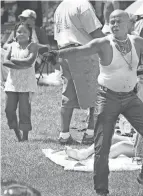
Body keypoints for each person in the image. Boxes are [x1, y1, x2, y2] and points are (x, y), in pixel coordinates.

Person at [43, 9, 143, 196]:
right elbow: (80, 50)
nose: (115, 25)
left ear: (129, 24)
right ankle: (101, 190)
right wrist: (56, 54)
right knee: (102, 146)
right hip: (107, 97)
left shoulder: (136, 41)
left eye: (119, 21)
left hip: (130, 97)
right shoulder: (103, 43)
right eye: (112, 21)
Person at [65, 75, 143, 161]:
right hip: (137, 141)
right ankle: (84, 154)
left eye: (136, 89)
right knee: (111, 137)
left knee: (121, 146)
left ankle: (95, 159)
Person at [53, 0, 104, 145]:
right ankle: (91, 133)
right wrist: (112, 43)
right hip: (83, 51)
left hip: (65, 52)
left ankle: (64, 135)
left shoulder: (60, 6)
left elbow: (58, 35)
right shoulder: (83, 5)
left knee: (67, 95)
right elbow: (94, 32)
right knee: (97, 93)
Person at [2, 22, 39, 142]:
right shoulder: (12, 45)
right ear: (15, 33)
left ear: (29, 34)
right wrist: (20, 65)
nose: (21, 34)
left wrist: (13, 60)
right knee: (8, 109)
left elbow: (29, 61)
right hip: (12, 83)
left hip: (26, 84)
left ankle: (25, 137)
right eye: (19, 31)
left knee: (24, 110)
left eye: (24, 31)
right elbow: (5, 62)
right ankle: (17, 133)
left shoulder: (33, 46)